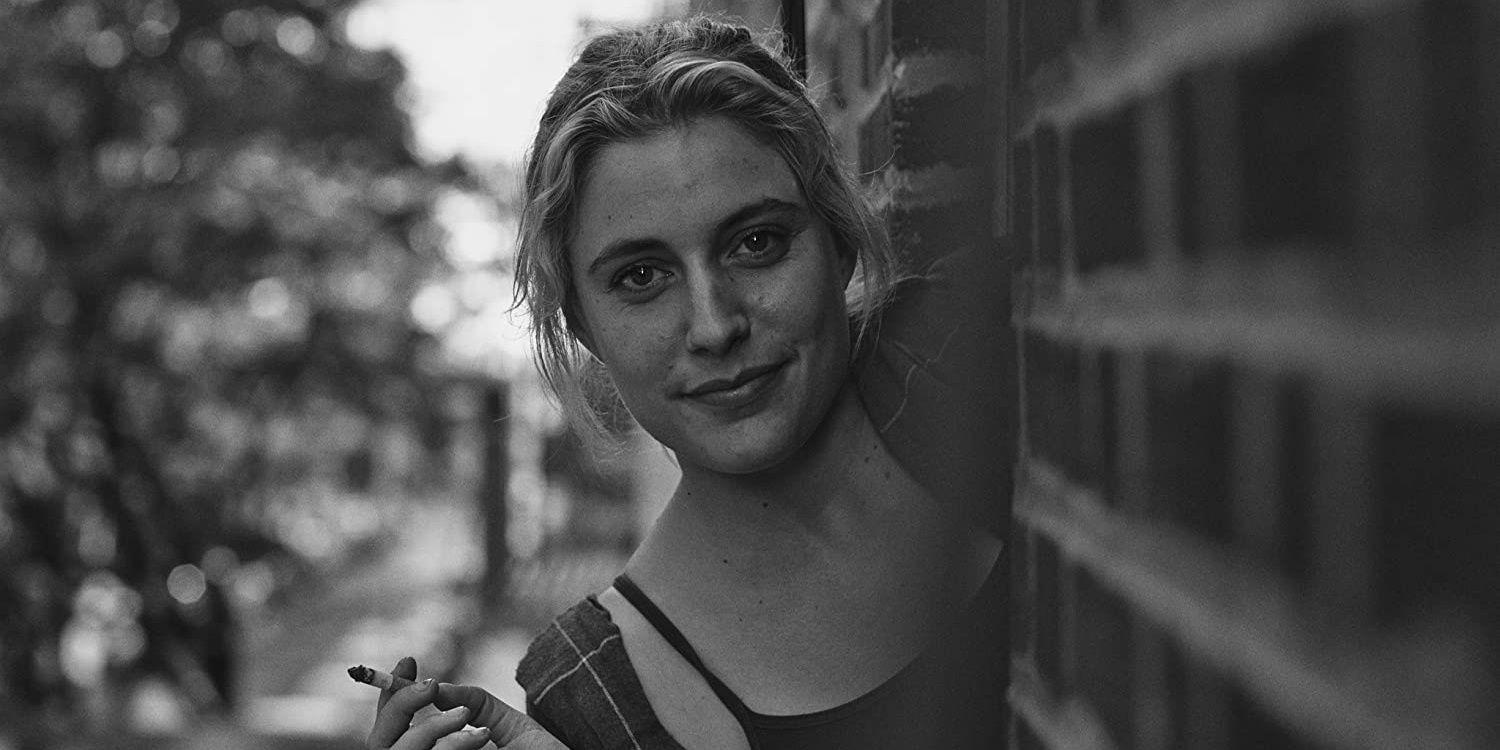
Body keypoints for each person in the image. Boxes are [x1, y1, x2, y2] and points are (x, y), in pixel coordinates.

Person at [365, 15, 1008, 750]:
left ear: (835, 239)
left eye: (756, 242)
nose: (714, 324)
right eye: (641, 277)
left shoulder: (965, 352)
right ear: (583, 326)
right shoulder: (607, 699)